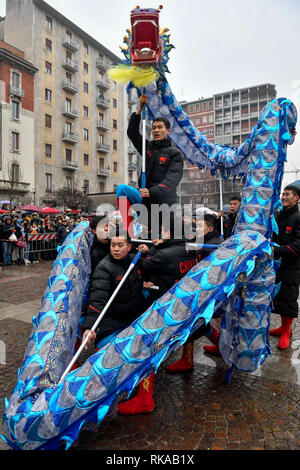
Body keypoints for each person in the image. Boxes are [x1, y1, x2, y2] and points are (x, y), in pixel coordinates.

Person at [118, 213, 198, 415]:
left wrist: (148, 250)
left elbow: (144, 265)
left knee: (148, 348)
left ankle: (145, 398)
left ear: (169, 233)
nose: (158, 233)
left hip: (166, 309)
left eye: (162, 230)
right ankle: (187, 360)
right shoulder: (190, 248)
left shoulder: (164, 253)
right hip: (184, 306)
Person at [117, 94, 184, 236]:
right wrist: (140, 108)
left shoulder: (175, 153)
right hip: (144, 198)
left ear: (168, 131)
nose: (156, 131)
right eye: (154, 128)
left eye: (160, 127)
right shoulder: (147, 147)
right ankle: (127, 231)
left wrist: (151, 191)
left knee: (158, 237)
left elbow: (171, 181)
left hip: (163, 203)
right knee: (122, 189)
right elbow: (132, 132)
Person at [81, 229, 146, 353]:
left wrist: (148, 251)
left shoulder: (135, 260)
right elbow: (97, 299)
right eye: (113, 245)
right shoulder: (104, 267)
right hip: (114, 320)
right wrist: (90, 327)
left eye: (120, 245)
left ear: (129, 247)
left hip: (136, 316)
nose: (116, 249)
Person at [271, 185, 300, 349]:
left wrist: (276, 250)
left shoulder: (298, 217)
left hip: (291, 265)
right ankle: (282, 327)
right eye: (283, 193)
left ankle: (286, 332)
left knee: (289, 297)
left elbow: (297, 246)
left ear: (296, 198)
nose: (283, 196)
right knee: (279, 296)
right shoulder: (280, 215)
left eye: (287, 194)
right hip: (277, 264)